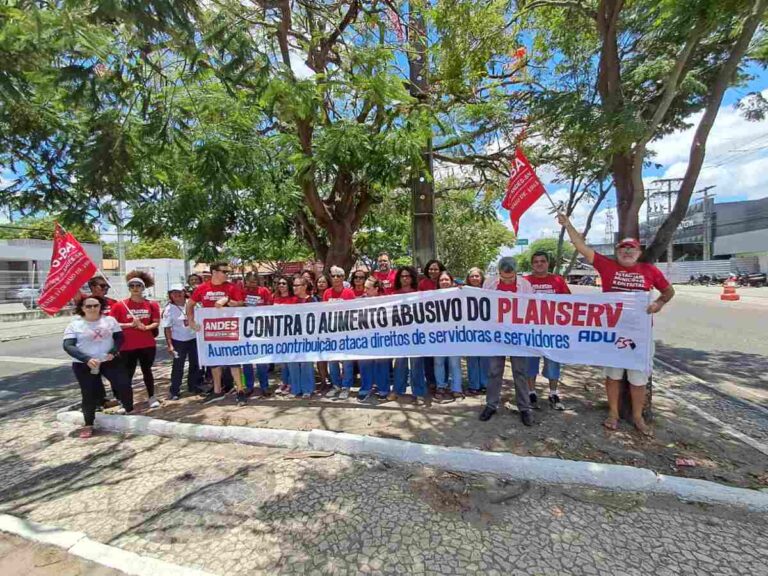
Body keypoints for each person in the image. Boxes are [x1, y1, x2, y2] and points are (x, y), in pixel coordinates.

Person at [557, 212, 675, 435]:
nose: (628, 251)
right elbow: (580, 246)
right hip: (612, 333)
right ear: (617, 252)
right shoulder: (607, 266)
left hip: (640, 336)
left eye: (632, 248)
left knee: (638, 378)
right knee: (613, 375)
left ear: (639, 252)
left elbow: (669, 291)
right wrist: (568, 224)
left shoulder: (649, 270)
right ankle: (613, 413)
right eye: (623, 248)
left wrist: (659, 302)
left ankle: (638, 417)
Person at [64, 296, 134, 438]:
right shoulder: (75, 325)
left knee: (124, 384)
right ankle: (89, 423)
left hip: (109, 360)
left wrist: (113, 351)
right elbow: (68, 345)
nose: (92, 309)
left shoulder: (110, 321)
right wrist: (87, 359)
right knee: (89, 393)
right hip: (85, 364)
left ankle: (129, 410)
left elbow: (119, 337)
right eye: (88, 306)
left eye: (95, 305)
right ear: (82, 308)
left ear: (100, 306)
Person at [479, 256, 535, 426]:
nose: (508, 279)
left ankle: (524, 408)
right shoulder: (489, 283)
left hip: (518, 335)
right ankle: (491, 404)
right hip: (496, 335)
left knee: (520, 372)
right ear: (499, 272)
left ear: (516, 272)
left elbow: (532, 308)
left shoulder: (525, 285)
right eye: (504, 277)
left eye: (511, 277)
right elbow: (480, 303)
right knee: (494, 371)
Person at [186, 261, 246, 405]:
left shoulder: (232, 287)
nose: (227, 274)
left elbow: (242, 303)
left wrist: (228, 300)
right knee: (214, 361)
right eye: (224, 272)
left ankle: (240, 390)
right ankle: (217, 391)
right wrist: (191, 321)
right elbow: (190, 304)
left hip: (230, 329)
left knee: (234, 362)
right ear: (214, 272)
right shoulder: (202, 288)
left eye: (228, 272)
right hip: (210, 331)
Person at [524, 251, 571, 411]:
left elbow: (569, 302)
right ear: (532, 264)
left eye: (542, 261)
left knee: (553, 362)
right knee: (530, 363)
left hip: (553, 331)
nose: (539, 264)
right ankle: (531, 392)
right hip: (530, 330)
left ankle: (553, 393)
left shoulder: (558, 280)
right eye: (536, 261)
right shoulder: (525, 282)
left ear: (548, 263)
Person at [110, 271, 161, 409]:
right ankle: (125, 402)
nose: (135, 288)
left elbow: (156, 322)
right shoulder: (120, 305)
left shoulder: (152, 304)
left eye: (138, 285)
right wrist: (129, 325)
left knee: (147, 371)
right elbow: (111, 324)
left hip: (147, 344)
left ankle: (151, 397)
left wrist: (146, 327)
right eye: (132, 285)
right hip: (127, 346)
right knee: (127, 374)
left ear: (143, 287)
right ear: (129, 288)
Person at [391, 266, 427, 404]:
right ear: (399, 279)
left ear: (412, 278)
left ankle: (419, 393)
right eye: (402, 276)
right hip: (400, 335)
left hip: (416, 335)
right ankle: (397, 390)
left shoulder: (419, 294)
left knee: (417, 364)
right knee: (400, 364)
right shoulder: (394, 294)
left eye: (408, 276)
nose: (405, 279)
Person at [162, 284, 203, 400]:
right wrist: (170, 345)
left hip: (194, 339)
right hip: (178, 341)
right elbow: (167, 328)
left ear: (184, 292)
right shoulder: (168, 309)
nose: (177, 294)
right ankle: (174, 390)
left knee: (195, 364)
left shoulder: (193, 304)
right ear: (170, 295)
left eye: (179, 292)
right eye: (173, 292)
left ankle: (193, 386)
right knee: (178, 366)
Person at [323, 266, 356, 400]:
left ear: (343, 278)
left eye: (339, 276)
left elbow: (354, 312)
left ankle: (346, 387)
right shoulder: (327, 293)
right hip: (331, 332)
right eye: (333, 276)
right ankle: (335, 385)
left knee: (347, 362)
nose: (335, 278)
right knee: (333, 361)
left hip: (345, 332)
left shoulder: (349, 293)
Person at [357, 277, 390, 401]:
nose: (364, 290)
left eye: (367, 288)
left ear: (376, 289)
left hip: (381, 337)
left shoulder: (386, 301)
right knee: (364, 363)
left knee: (381, 363)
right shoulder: (359, 301)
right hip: (365, 338)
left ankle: (383, 389)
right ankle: (366, 388)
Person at [433, 271, 464, 403]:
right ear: (438, 283)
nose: (444, 282)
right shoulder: (432, 296)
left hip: (454, 335)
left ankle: (456, 389)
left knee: (454, 363)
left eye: (446, 280)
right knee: (438, 362)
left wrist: (463, 288)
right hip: (438, 335)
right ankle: (441, 387)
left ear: (451, 281)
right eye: (441, 280)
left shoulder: (459, 294)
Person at [242, 272, 273, 397]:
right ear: (246, 282)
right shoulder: (242, 292)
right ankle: (248, 386)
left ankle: (264, 386)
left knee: (262, 361)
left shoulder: (264, 291)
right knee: (246, 361)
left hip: (261, 328)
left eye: (255, 281)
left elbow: (270, 306)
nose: (252, 284)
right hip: (245, 330)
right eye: (250, 281)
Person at [464, 267, 489, 395]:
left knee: (485, 359)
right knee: (472, 359)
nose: (474, 278)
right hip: (469, 330)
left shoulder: (489, 292)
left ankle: (485, 384)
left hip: (485, 330)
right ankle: (474, 384)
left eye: (477, 276)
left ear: (481, 277)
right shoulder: (462, 292)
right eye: (472, 276)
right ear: (468, 278)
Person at [290, 276, 316, 398]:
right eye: (293, 285)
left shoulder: (312, 301)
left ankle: (307, 389)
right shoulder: (291, 301)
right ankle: (296, 389)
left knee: (306, 363)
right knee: (293, 363)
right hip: (292, 337)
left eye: (297, 285)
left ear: (304, 286)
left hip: (307, 337)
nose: (294, 288)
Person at [273, 275, 299, 395]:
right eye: (279, 283)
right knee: (283, 361)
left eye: (284, 283)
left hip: (291, 333)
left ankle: (291, 383)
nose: (281, 285)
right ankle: (284, 382)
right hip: (278, 333)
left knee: (290, 360)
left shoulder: (294, 299)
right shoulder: (274, 298)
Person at [314, 272, 332, 390]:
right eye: (319, 281)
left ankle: (332, 378)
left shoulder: (331, 295)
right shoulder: (312, 297)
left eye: (323, 281)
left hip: (330, 328)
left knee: (330, 355)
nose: (321, 284)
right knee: (320, 356)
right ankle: (323, 380)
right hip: (316, 329)